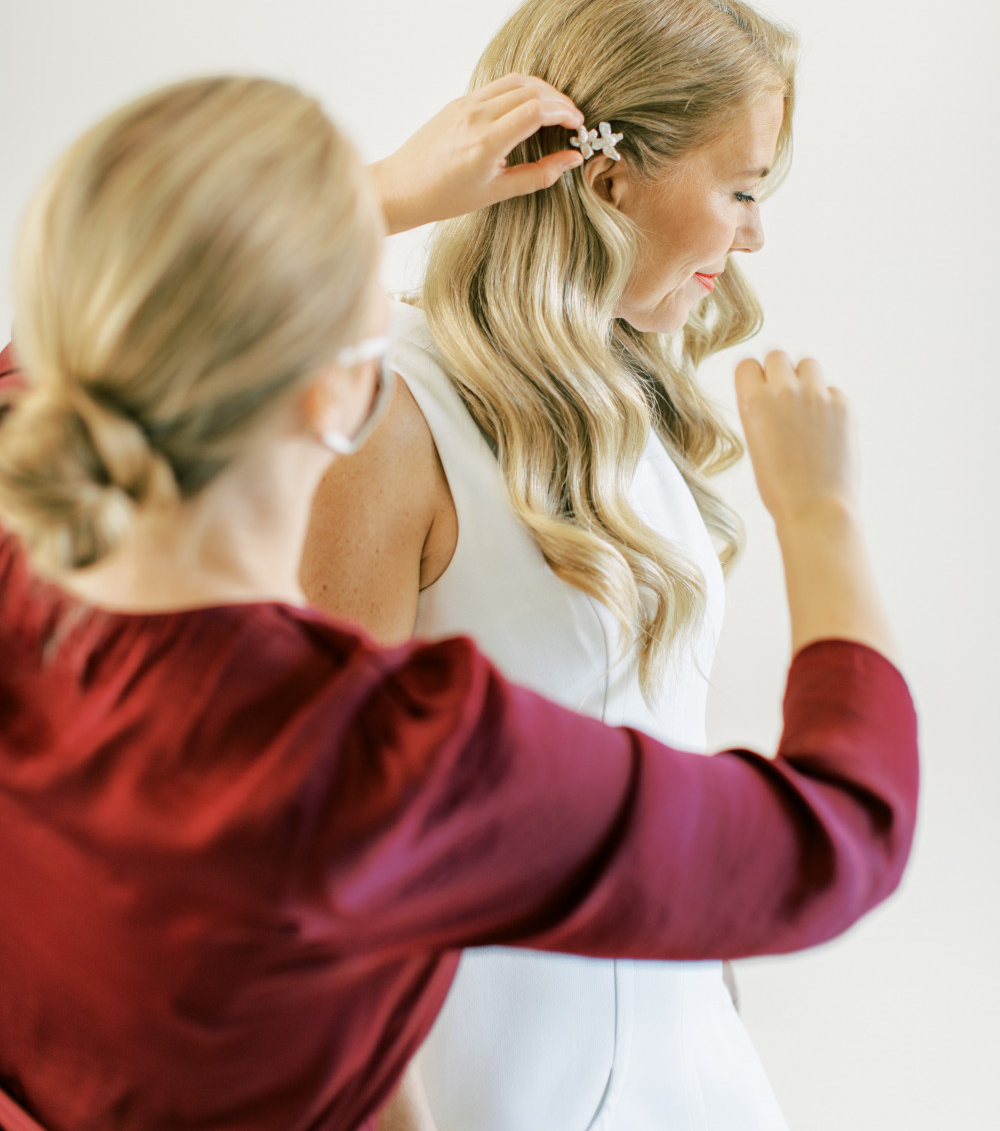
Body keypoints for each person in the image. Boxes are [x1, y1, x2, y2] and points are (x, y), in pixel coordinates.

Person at [0, 73, 916, 1131]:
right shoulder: (382, 754)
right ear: (342, 393)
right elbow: (842, 838)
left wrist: (381, 195)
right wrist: (820, 516)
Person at [300, 0, 903, 1131]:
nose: (757, 233)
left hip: (695, 1074)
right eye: (738, 189)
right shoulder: (389, 416)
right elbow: (324, 839)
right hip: (490, 1083)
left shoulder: (641, 419)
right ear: (612, 182)